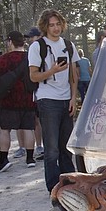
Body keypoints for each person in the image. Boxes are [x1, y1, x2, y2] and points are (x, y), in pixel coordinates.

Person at [28, 10, 78, 192]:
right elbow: (33, 76)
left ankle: (69, 183)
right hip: (47, 99)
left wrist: (73, 97)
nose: (56, 28)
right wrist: (52, 71)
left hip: (66, 99)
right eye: (51, 25)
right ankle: (53, 186)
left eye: (58, 24)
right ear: (45, 27)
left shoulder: (69, 45)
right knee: (52, 149)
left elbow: (74, 74)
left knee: (66, 146)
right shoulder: (37, 47)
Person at [0, 31, 37, 172]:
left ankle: (3, 160)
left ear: (10, 42)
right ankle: (30, 158)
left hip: (8, 100)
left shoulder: (4, 59)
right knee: (28, 128)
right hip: (28, 98)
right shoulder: (31, 57)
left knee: (4, 130)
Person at [21, 27, 44, 161]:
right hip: (35, 91)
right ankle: (40, 146)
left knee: (42, 121)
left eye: (32, 37)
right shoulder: (31, 50)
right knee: (37, 121)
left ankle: (43, 147)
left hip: (43, 90)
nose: (30, 39)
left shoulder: (41, 48)